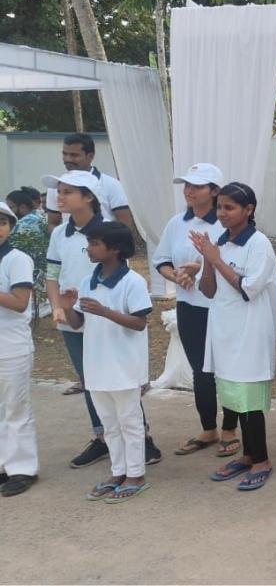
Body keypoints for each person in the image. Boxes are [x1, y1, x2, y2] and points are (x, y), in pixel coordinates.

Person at [43, 171, 161, 467]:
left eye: (68, 191)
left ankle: (140, 439)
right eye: (59, 191)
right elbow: (53, 274)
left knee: (121, 380)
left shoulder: (109, 231)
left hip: (108, 318)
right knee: (91, 379)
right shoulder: (60, 233)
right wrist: (59, 306)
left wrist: (106, 309)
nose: (60, 197)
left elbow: (121, 276)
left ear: (89, 197)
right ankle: (103, 438)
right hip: (75, 314)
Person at [190, 183, 276, 492]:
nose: (223, 213)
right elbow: (209, 291)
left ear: (249, 210)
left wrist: (215, 259)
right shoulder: (220, 243)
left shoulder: (259, 244)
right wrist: (207, 259)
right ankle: (247, 455)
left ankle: (262, 460)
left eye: (230, 207)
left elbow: (248, 288)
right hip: (224, 331)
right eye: (220, 207)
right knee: (233, 398)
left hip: (250, 332)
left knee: (250, 401)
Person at [58, 222, 152, 503]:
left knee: (130, 421)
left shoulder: (133, 282)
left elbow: (138, 322)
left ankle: (136, 474)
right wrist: (67, 305)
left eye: (95, 243)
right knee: (109, 423)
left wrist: (105, 311)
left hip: (124, 366)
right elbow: (78, 321)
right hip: (97, 365)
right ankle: (117, 472)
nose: (89, 248)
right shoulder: (89, 280)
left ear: (116, 249)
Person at [153, 163, 240, 458]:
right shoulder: (177, 222)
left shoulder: (227, 223)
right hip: (189, 307)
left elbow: (235, 264)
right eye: (186, 185)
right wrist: (175, 275)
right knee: (201, 372)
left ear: (214, 191)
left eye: (197, 186)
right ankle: (208, 428)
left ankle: (230, 429)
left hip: (222, 308)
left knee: (225, 370)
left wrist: (201, 266)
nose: (189, 191)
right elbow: (161, 260)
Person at [0, 202, 38, 497]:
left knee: (15, 408)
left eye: (2, 222)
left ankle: (22, 468)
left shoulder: (17, 259)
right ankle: (4, 464)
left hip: (11, 345)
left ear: (10, 227)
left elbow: (19, 302)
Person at [45, 133, 134, 233]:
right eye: (65, 154)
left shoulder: (112, 185)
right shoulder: (55, 186)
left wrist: (108, 245)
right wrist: (61, 241)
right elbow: (53, 223)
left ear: (90, 156)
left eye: (74, 155)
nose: (68, 159)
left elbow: (125, 225)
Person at [6, 188, 49, 312]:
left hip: (30, 279)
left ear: (23, 207)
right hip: (44, 279)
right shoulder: (43, 217)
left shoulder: (23, 225)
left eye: (11, 207)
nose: (9, 211)